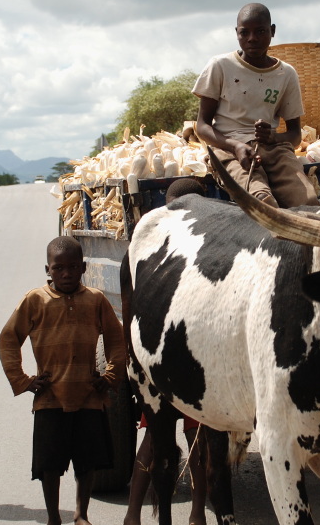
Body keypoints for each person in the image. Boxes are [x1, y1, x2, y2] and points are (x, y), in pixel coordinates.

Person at [0, 236, 126, 525]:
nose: (66, 274)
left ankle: (81, 514)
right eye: (59, 268)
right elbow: (9, 339)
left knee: (87, 461)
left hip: (88, 395)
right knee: (49, 464)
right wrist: (23, 380)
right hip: (50, 397)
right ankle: (54, 516)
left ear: (83, 267)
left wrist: (111, 374)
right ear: (48, 270)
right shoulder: (35, 300)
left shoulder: (95, 299)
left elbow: (117, 339)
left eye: (72, 267)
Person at [125, 177, 211, 525]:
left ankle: (173, 514)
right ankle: (188, 514)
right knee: (185, 440)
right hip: (176, 363)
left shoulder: (182, 249)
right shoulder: (150, 247)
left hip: (173, 363)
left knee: (180, 438)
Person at [192, 2, 318, 209]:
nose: (252, 38)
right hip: (230, 150)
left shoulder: (286, 74)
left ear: (273, 31)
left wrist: (273, 137)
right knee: (263, 202)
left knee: (308, 204)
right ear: (237, 34)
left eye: (260, 31)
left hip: (275, 151)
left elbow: (295, 135)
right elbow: (203, 126)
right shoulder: (220, 66)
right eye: (245, 33)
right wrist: (236, 146)